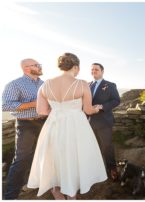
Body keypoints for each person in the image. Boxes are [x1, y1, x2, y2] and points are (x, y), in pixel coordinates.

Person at [27, 53, 107, 200]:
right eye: (78, 68)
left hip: (54, 124)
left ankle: (56, 192)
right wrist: (97, 108)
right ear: (75, 66)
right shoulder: (82, 84)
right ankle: (71, 194)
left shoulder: (45, 85)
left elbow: (41, 111)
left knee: (55, 156)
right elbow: (88, 110)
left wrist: (58, 110)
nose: (78, 72)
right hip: (76, 126)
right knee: (74, 157)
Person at [2, 58, 46, 200]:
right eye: (36, 65)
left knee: (43, 155)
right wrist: (34, 103)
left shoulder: (44, 84)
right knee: (22, 159)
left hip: (45, 123)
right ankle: (10, 196)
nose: (40, 67)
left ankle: (35, 184)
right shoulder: (15, 84)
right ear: (26, 68)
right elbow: (6, 106)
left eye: (39, 65)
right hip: (26, 124)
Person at [88, 63, 121, 181]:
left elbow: (116, 100)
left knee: (107, 146)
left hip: (104, 121)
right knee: (92, 146)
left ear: (102, 71)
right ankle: (95, 169)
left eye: (96, 69)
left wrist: (102, 106)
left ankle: (112, 168)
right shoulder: (87, 85)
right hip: (89, 122)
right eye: (92, 70)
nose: (93, 71)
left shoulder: (110, 85)